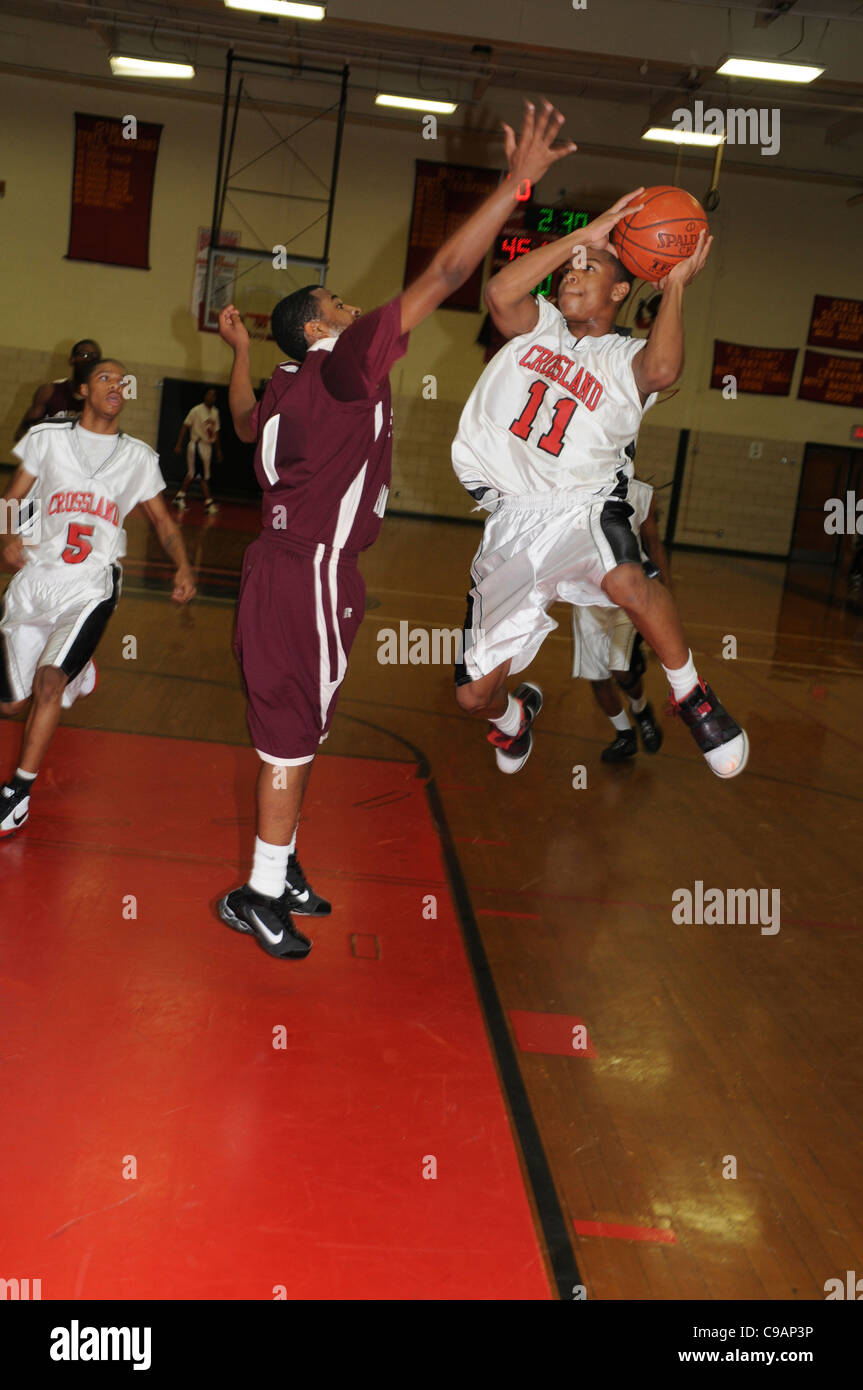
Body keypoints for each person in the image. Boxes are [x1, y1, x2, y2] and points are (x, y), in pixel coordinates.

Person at [215, 99, 578, 961]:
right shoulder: (339, 371)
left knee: (302, 730)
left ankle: (283, 865)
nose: (354, 309)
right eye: (338, 302)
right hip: (306, 571)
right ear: (317, 328)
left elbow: (238, 425)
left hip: (299, 569)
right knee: (289, 738)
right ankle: (259, 895)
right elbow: (446, 275)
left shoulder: (282, 384)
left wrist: (235, 350)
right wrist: (514, 187)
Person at [451, 197, 748, 780]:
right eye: (568, 268)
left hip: (584, 506)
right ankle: (515, 717)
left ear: (619, 293)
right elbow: (500, 293)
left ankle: (692, 696)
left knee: (629, 580)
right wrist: (583, 238)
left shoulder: (625, 357)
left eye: (589, 269)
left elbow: (664, 370)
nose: (572, 273)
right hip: (512, 522)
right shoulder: (537, 328)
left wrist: (676, 284)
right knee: (471, 696)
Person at [0, 360, 196, 838]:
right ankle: (80, 668)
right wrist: (6, 535)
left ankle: (17, 793)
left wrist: (184, 565)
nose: (117, 385)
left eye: (123, 380)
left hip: (92, 583)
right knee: (10, 705)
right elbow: (11, 497)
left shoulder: (138, 458)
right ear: (84, 390)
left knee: (49, 682)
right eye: (106, 377)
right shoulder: (47, 439)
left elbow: (164, 523)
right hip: (36, 578)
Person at [571, 482, 665, 763]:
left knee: (621, 669)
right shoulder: (577, 489)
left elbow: (653, 543)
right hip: (587, 595)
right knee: (597, 677)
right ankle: (624, 736)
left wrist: (666, 592)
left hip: (628, 592)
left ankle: (641, 709)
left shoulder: (641, 493)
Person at [15, 339, 102, 440]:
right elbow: (21, 434)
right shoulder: (49, 391)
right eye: (84, 354)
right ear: (72, 359)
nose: (89, 360)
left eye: (94, 356)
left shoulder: (102, 398)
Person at [173, 388, 221, 515]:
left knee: (195, 474)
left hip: (207, 446)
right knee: (201, 476)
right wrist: (178, 444)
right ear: (205, 396)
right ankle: (208, 503)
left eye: (212, 396)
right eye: (208, 394)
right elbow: (185, 426)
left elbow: (216, 432)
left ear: (215, 398)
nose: (210, 397)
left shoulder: (215, 412)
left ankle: (180, 497)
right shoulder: (196, 410)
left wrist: (218, 450)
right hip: (197, 445)